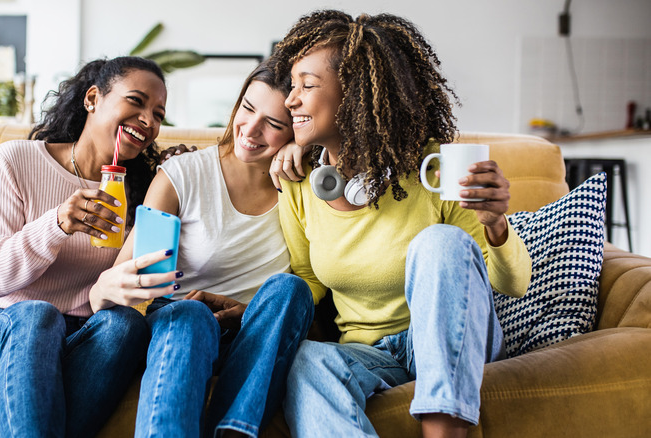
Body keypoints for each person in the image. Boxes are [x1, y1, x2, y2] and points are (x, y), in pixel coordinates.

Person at [268, 10, 532, 438]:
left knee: (439, 242)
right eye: (292, 86)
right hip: (372, 354)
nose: (290, 100)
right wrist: (254, 311)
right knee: (309, 361)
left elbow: (514, 283)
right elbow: (308, 278)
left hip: (454, 339)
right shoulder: (300, 183)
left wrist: (496, 224)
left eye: (307, 86)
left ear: (353, 95)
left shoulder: (435, 169)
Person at [0, 56, 180, 438]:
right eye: (136, 101)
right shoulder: (17, 160)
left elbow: (146, 280)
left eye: (158, 114)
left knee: (126, 326)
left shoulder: (143, 192)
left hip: (83, 341)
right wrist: (56, 224)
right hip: (0, 330)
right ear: (92, 98)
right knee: (37, 315)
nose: (148, 120)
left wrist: (175, 183)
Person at [89, 60, 314, 438]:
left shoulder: (303, 187)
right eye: (247, 108)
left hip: (255, 333)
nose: (251, 130)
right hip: (181, 326)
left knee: (291, 290)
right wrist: (110, 288)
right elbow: (118, 281)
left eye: (274, 124)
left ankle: (233, 430)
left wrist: (250, 313)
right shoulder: (183, 174)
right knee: (191, 314)